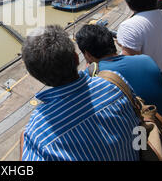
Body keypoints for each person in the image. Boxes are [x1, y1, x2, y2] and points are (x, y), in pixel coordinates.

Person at [21, 25, 140, 161]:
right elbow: (138, 127)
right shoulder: (115, 84)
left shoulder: (38, 131)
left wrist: (24, 142)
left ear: (36, 76)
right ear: (77, 58)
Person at [76, 24, 162, 132]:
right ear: (113, 42)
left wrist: (90, 69)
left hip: (144, 144)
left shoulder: (95, 77)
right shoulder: (146, 60)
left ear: (87, 54)